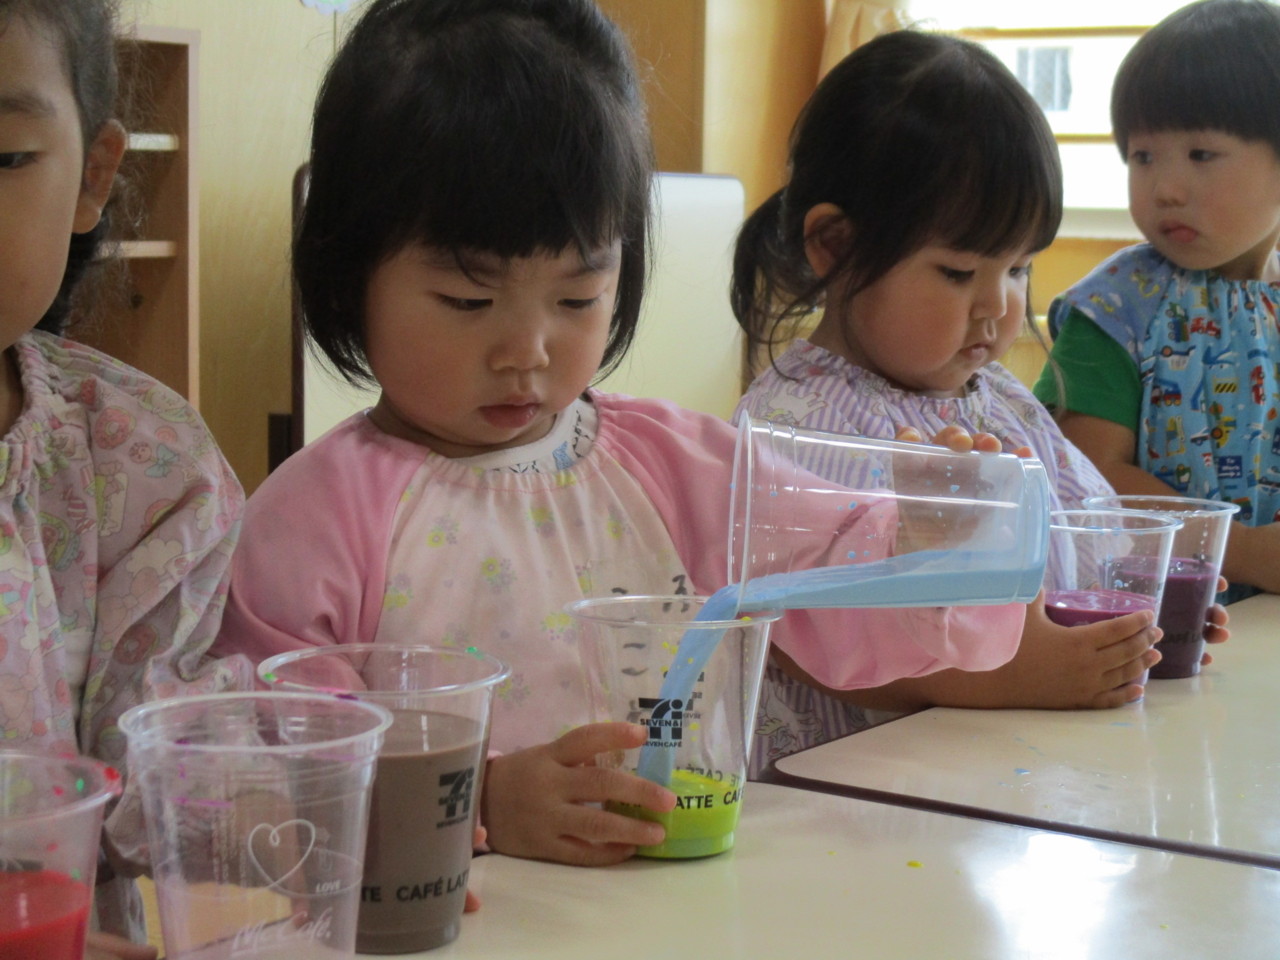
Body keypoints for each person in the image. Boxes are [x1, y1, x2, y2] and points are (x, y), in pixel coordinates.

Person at [213, 0, 1028, 867]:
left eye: (577, 297)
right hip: (470, 919)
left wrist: (925, 538)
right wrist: (477, 800)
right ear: (348, 275)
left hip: (681, 899)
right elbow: (285, 767)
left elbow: (831, 566)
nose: (527, 352)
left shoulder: (674, 466)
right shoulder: (312, 520)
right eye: (468, 300)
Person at [731, 29, 1192, 768]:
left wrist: (1141, 613)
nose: (1000, 308)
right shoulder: (794, 427)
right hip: (851, 793)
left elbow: (1085, 533)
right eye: (957, 273)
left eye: (1018, 269)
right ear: (835, 247)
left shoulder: (998, 398)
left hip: (996, 772)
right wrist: (1021, 675)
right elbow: (807, 640)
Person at [0, 0, 250, 952]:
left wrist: (292, 806)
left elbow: (159, 754)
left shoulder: (138, 466)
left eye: (2, 158)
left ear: (93, 175)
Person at [1033, 0, 1280, 600]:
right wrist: (1244, 551)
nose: (1165, 189)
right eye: (1143, 156)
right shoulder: (1116, 310)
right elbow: (1088, 483)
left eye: (1201, 154)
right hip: (1135, 620)